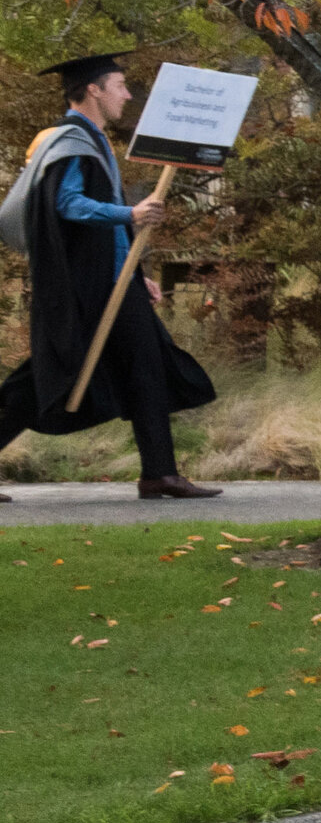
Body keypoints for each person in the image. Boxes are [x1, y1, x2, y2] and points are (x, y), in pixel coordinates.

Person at [0, 46, 219, 499]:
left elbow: (105, 230)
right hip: (85, 285)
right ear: (94, 90)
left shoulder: (93, 140)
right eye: (120, 86)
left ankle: (159, 471)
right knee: (50, 372)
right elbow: (68, 205)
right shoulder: (69, 142)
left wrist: (136, 274)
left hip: (110, 280)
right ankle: (160, 472)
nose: (128, 94)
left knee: (145, 364)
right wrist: (130, 213)